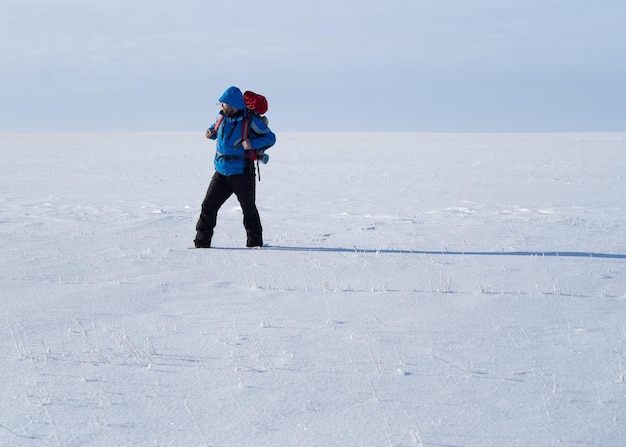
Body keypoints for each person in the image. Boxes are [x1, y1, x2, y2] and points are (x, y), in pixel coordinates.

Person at [194, 86, 276, 248]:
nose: (221, 106)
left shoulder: (251, 121)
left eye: (223, 104)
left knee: (248, 209)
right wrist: (210, 133)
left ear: (232, 105)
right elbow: (215, 130)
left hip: (243, 172)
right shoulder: (222, 118)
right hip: (221, 172)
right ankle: (201, 244)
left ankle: (255, 245)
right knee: (208, 206)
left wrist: (252, 143)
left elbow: (270, 138)